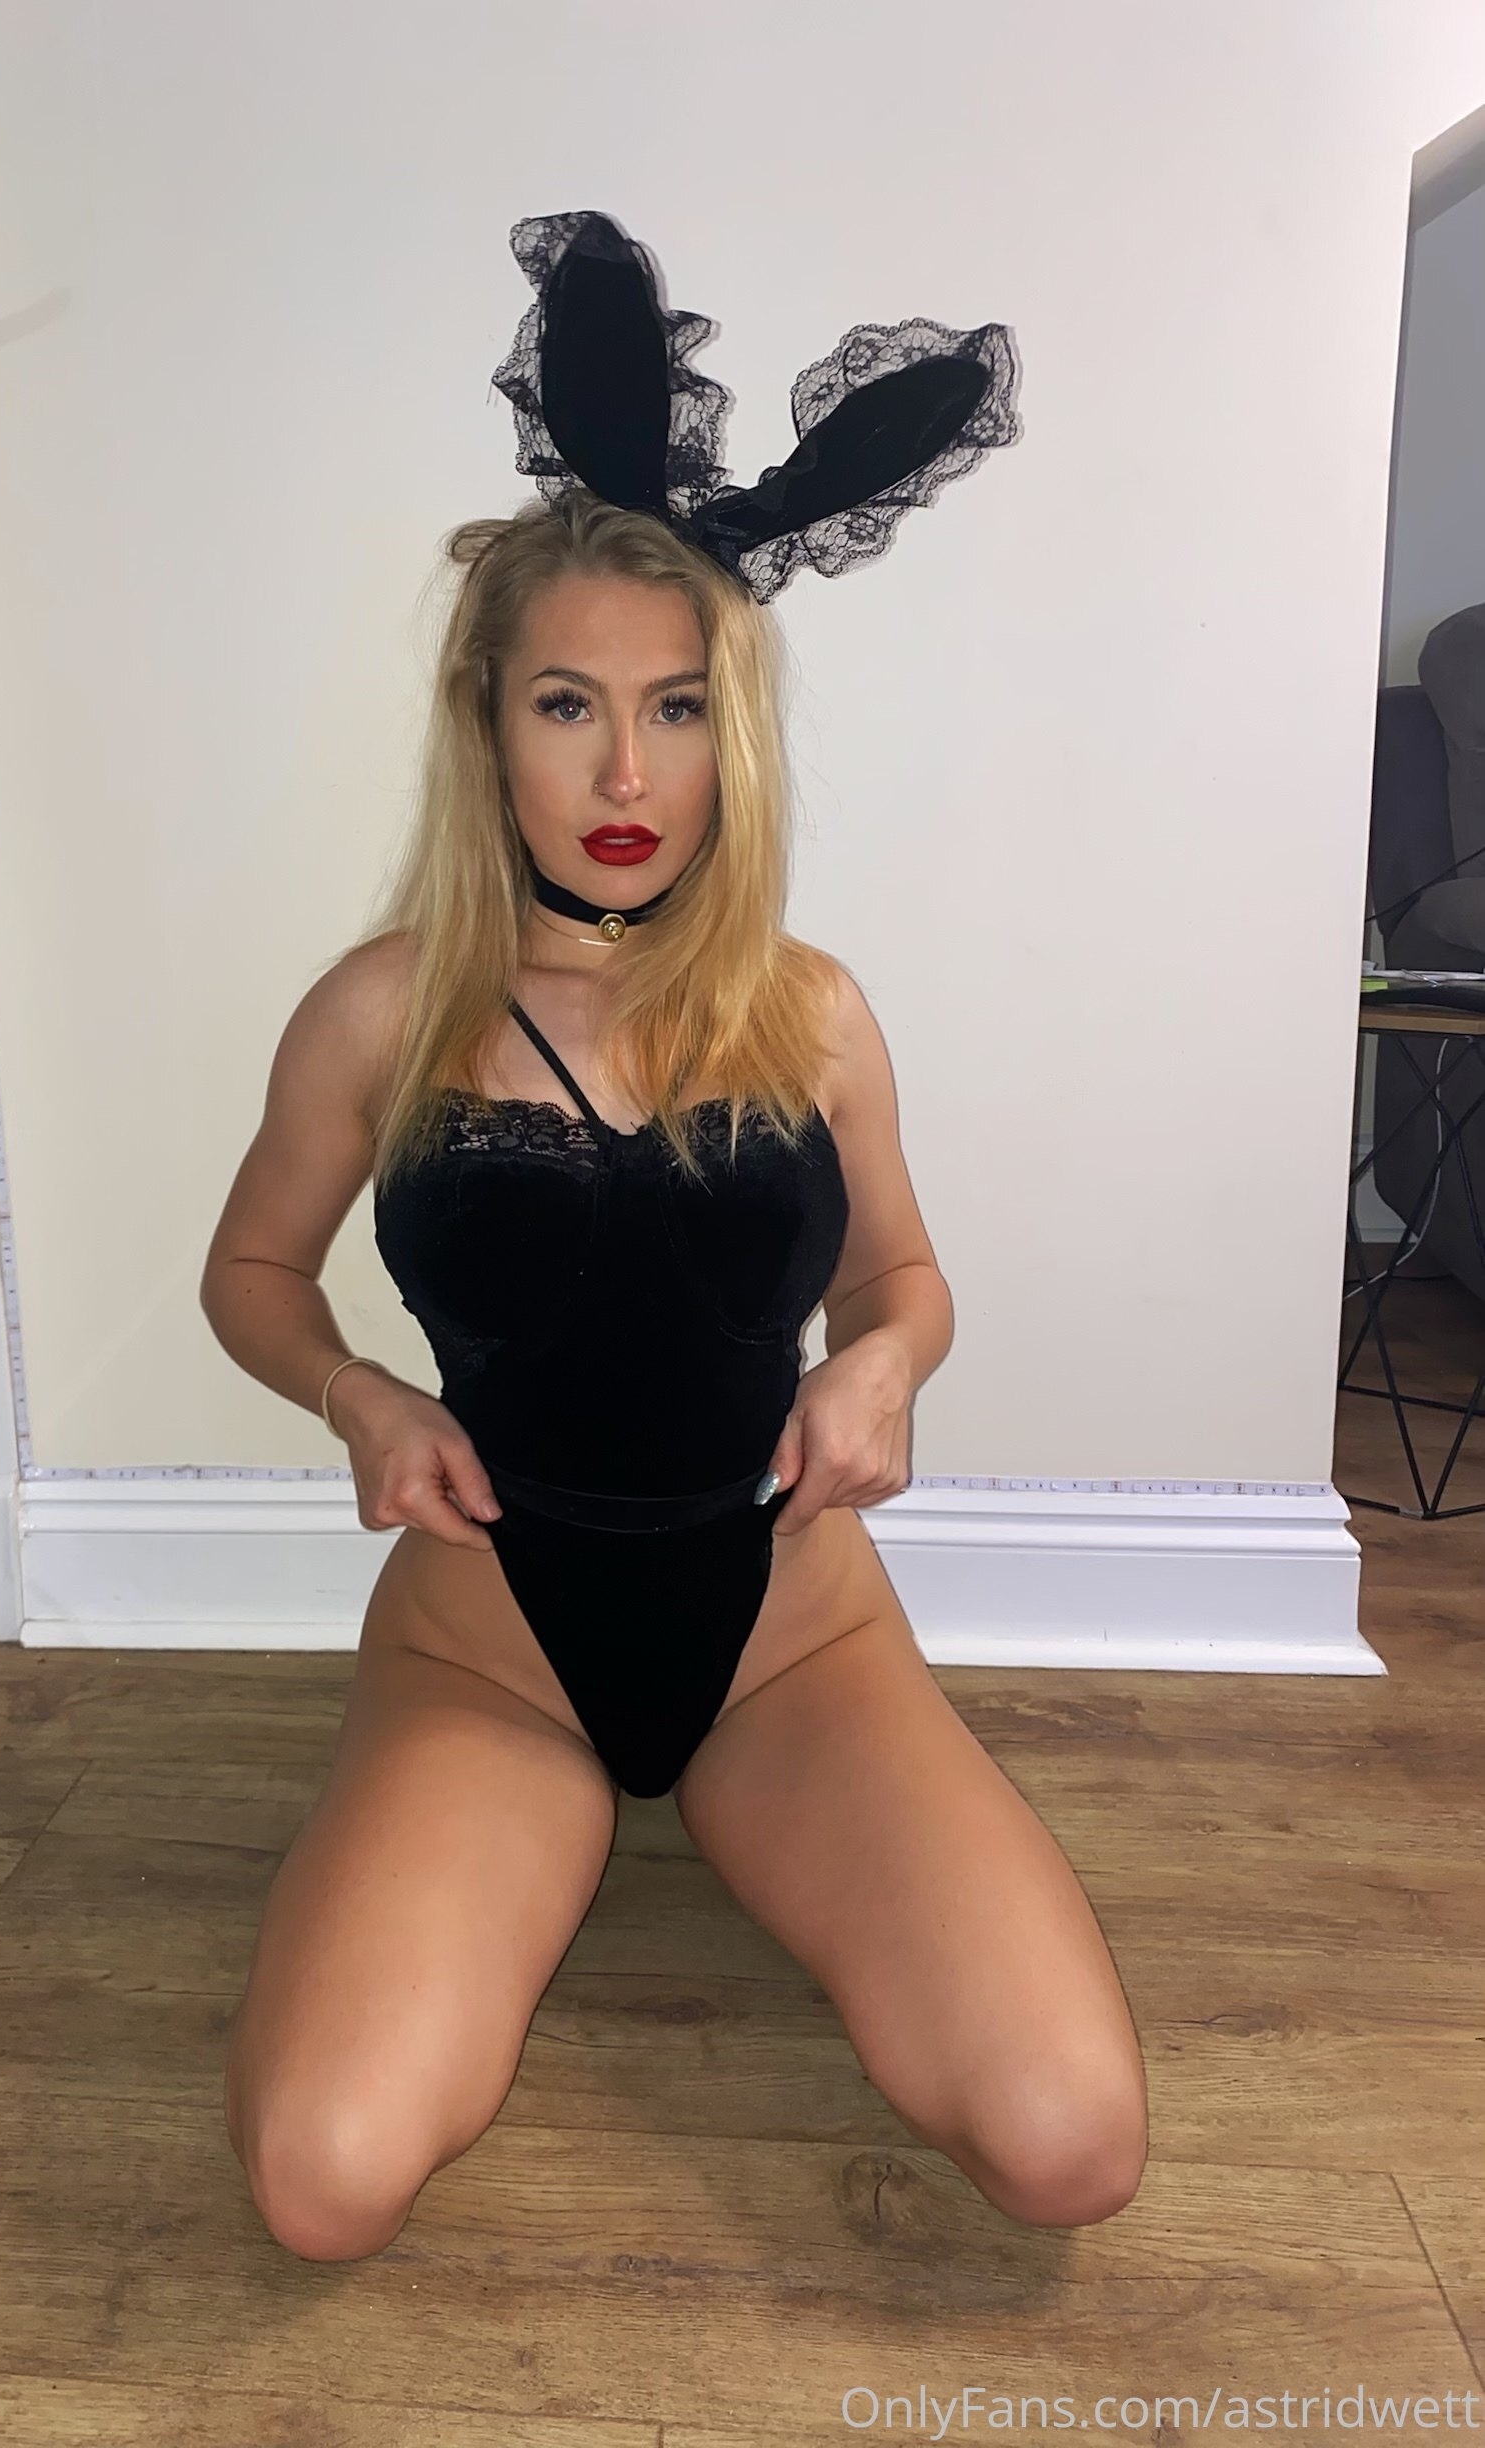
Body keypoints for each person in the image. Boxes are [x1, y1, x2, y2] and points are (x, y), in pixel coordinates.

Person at [201, 212, 1147, 2262]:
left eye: (680, 708)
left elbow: (903, 1278)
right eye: (569, 705)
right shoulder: (382, 1012)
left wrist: (888, 1361)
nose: (628, 770)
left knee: (1071, 2144)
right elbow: (249, 1275)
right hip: (493, 1649)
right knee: (322, 2182)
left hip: (791, 1639)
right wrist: (359, 1400)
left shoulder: (814, 1010)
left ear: (737, 732)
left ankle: (741, 1814)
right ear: (488, 723)